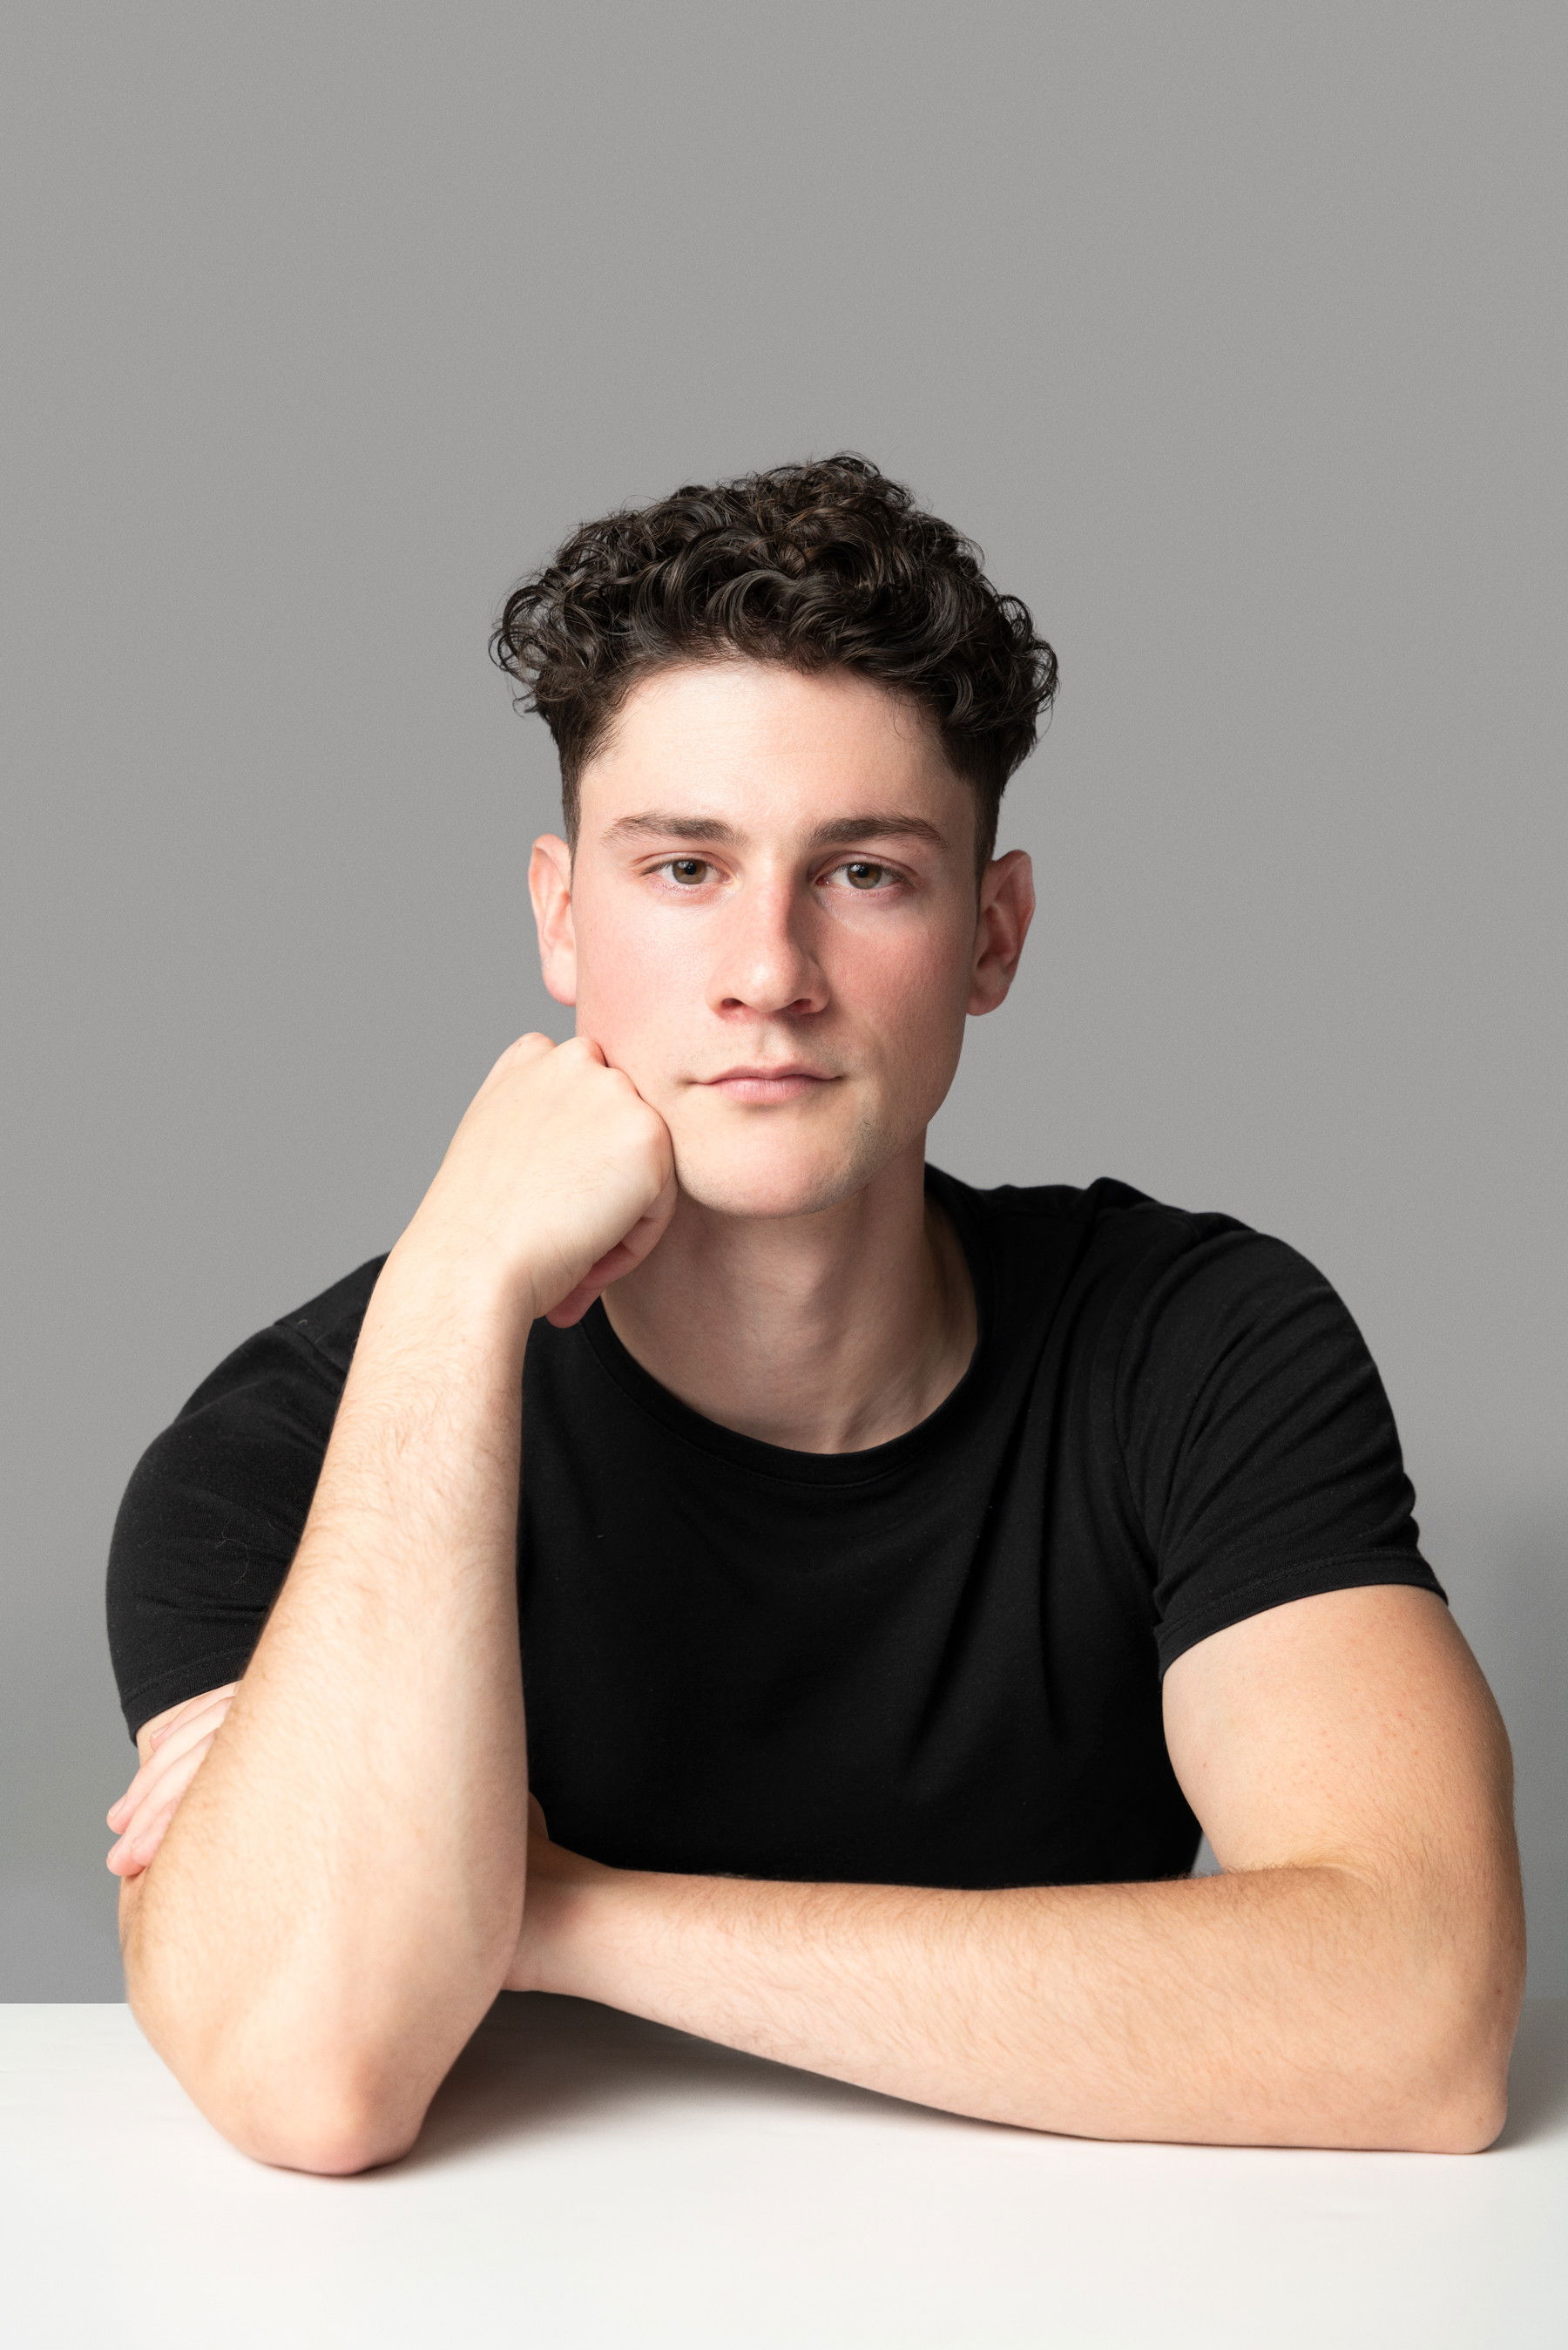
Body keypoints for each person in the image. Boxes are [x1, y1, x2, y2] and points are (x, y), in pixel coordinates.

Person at [103, 454, 1525, 2175]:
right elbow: (309, 2073)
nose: (769, 972)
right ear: (562, 915)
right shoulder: (289, 1445)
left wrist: (553, 1912)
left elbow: (1420, 2014)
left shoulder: (1196, 1345)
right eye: (683, 867)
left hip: (1078, 2281)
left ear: (992, 933)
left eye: (863, 872)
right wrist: (452, 1281)